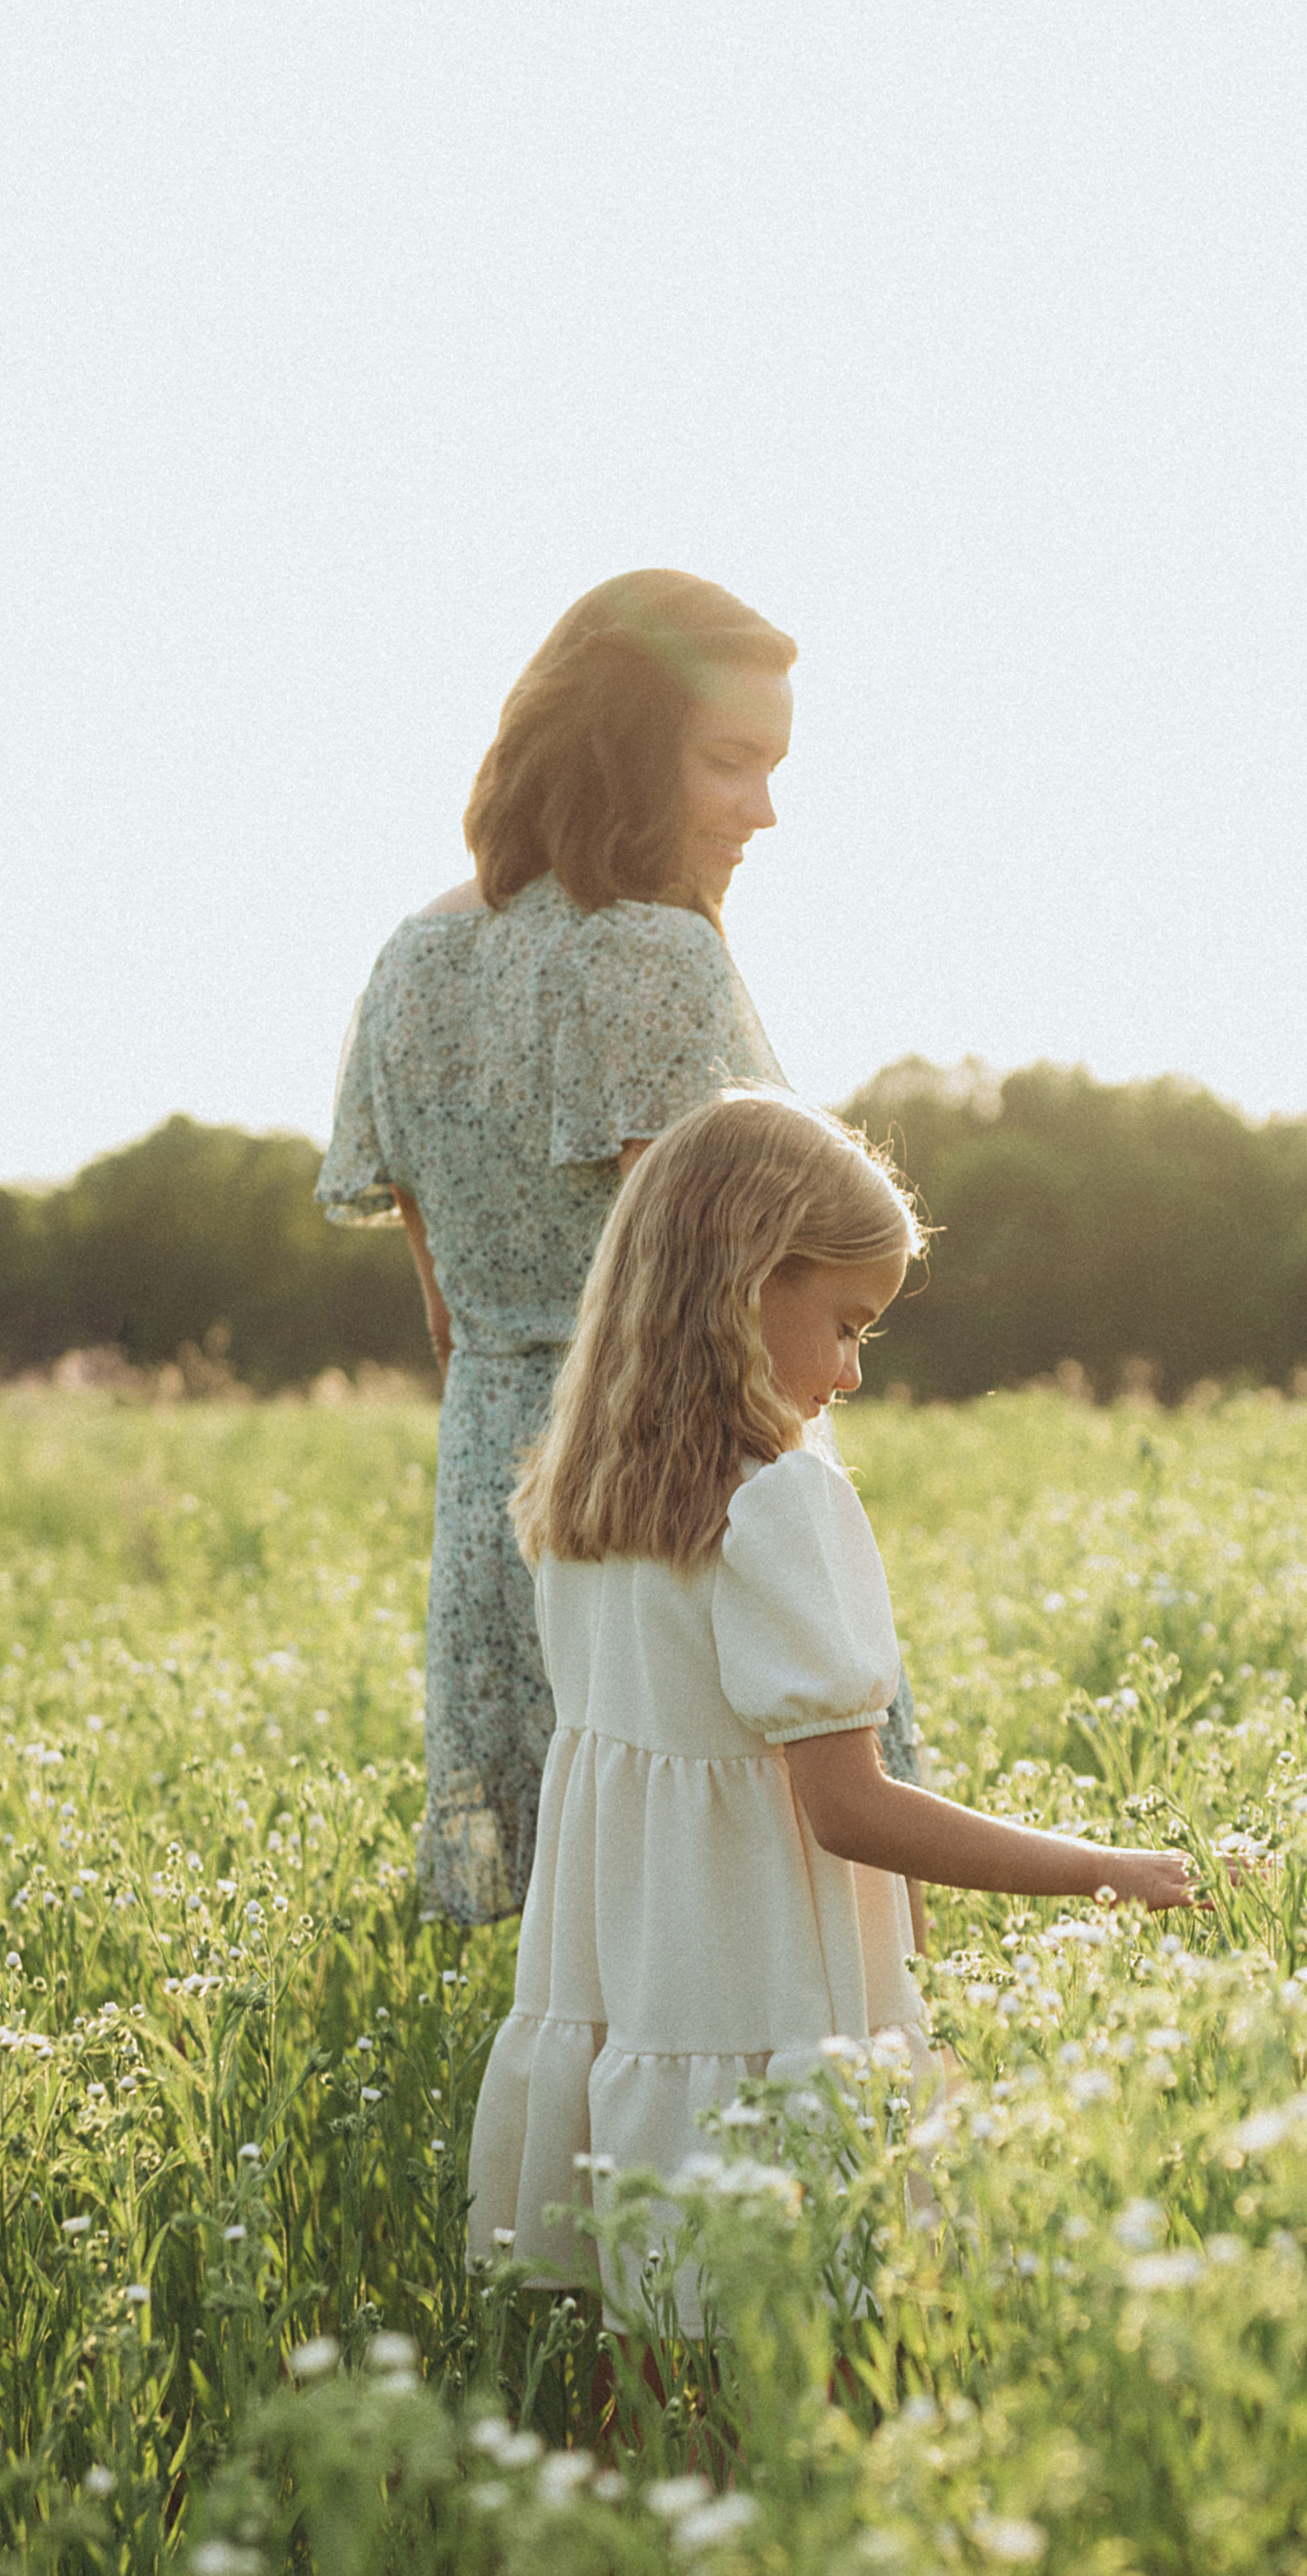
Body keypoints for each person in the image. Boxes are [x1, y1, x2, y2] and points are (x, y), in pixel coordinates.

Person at [466, 1088, 1198, 2325]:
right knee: (807, 2360)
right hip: (765, 1990)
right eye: (848, 1325)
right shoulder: (781, 1504)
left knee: (647, 2344)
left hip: (643, 1990)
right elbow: (848, 1807)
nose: (854, 1372)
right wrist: (1104, 1870)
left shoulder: (580, 1508)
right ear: (749, 1281)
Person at [316, 569, 920, 1925]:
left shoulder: (409, 959)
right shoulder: (652, 956)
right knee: (750, 1912)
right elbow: (710, 1307)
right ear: (627, 750)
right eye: (732, 762)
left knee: (563, 1928)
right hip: (674, 1479)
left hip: (498, 1488)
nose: (764, 809)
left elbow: (447, 1318)